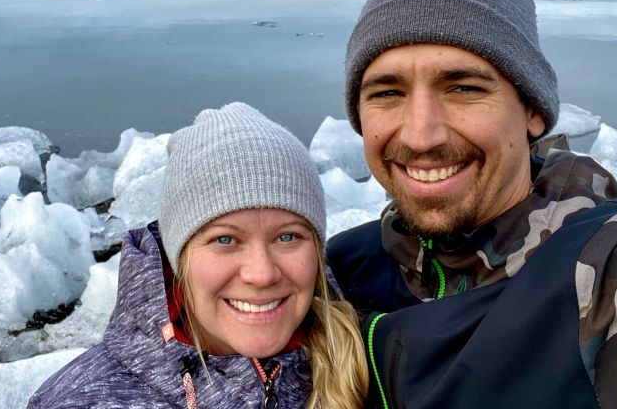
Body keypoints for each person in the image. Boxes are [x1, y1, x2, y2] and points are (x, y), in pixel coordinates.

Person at [327, 0, 617, 409]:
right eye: (387, 93)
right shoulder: (339, 272)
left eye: (463, 88)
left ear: (533, 111)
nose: (421, 135)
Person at [30, 102, 368, 408]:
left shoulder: (368, 368)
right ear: (179, 258)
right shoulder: (83, 399)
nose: (262, 274)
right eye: (225, 240)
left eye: (287, 236)